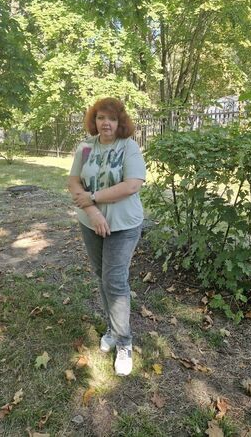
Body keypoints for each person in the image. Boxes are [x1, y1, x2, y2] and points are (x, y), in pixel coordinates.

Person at [68, 98, 146, 376]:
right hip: (91, 224)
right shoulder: (86, 147)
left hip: (123, 226)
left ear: (119, 122)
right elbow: (73, 181)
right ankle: (114, 329)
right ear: (94, 120)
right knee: (103, 276)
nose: (106, 123)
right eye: (101, 117)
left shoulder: (128, 147)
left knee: (114, 280)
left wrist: (93, 197)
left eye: (112, 119)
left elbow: (132, 185)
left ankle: (124, 342)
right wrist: (93, 212)